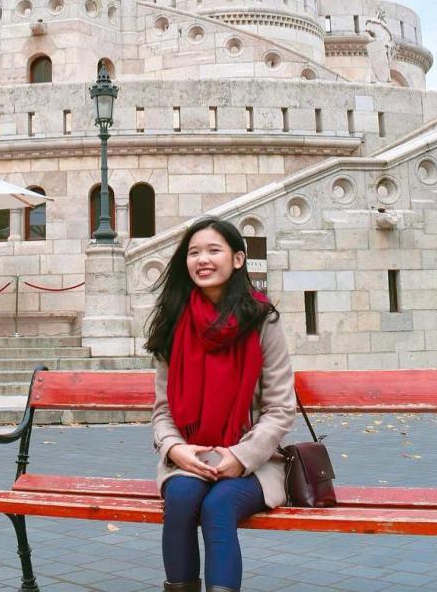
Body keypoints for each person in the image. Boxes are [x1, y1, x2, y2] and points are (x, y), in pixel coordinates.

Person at [145, 217, 296, 592]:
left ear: (238, 259)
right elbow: (163, 409)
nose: (202, 260)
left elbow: (280, 408)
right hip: (191, 455)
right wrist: (174, 449)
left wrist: (240, 457)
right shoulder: (174, 323)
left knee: (218, 507)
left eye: (214, 250)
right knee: (180, 500)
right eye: (194, 252)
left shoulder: (263, 320)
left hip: (254, 461)